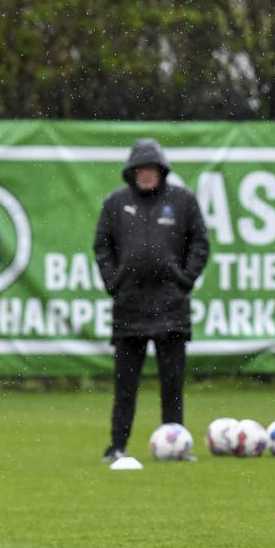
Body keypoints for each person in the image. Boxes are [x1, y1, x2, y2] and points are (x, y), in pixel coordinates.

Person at [93, 138, 210, 469]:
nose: (146, 175)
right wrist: (113, 282)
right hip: (129, 306)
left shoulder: (183, 201)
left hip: (171, 306)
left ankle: (176, 445)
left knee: (172, 381)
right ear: (131, 173)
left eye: (152, 169)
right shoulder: (115, 203)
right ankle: (117, 446)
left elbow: (201, 243)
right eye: (140, 170)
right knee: (125, 385)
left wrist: (184, 279)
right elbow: (101, 245)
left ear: (161, 171)